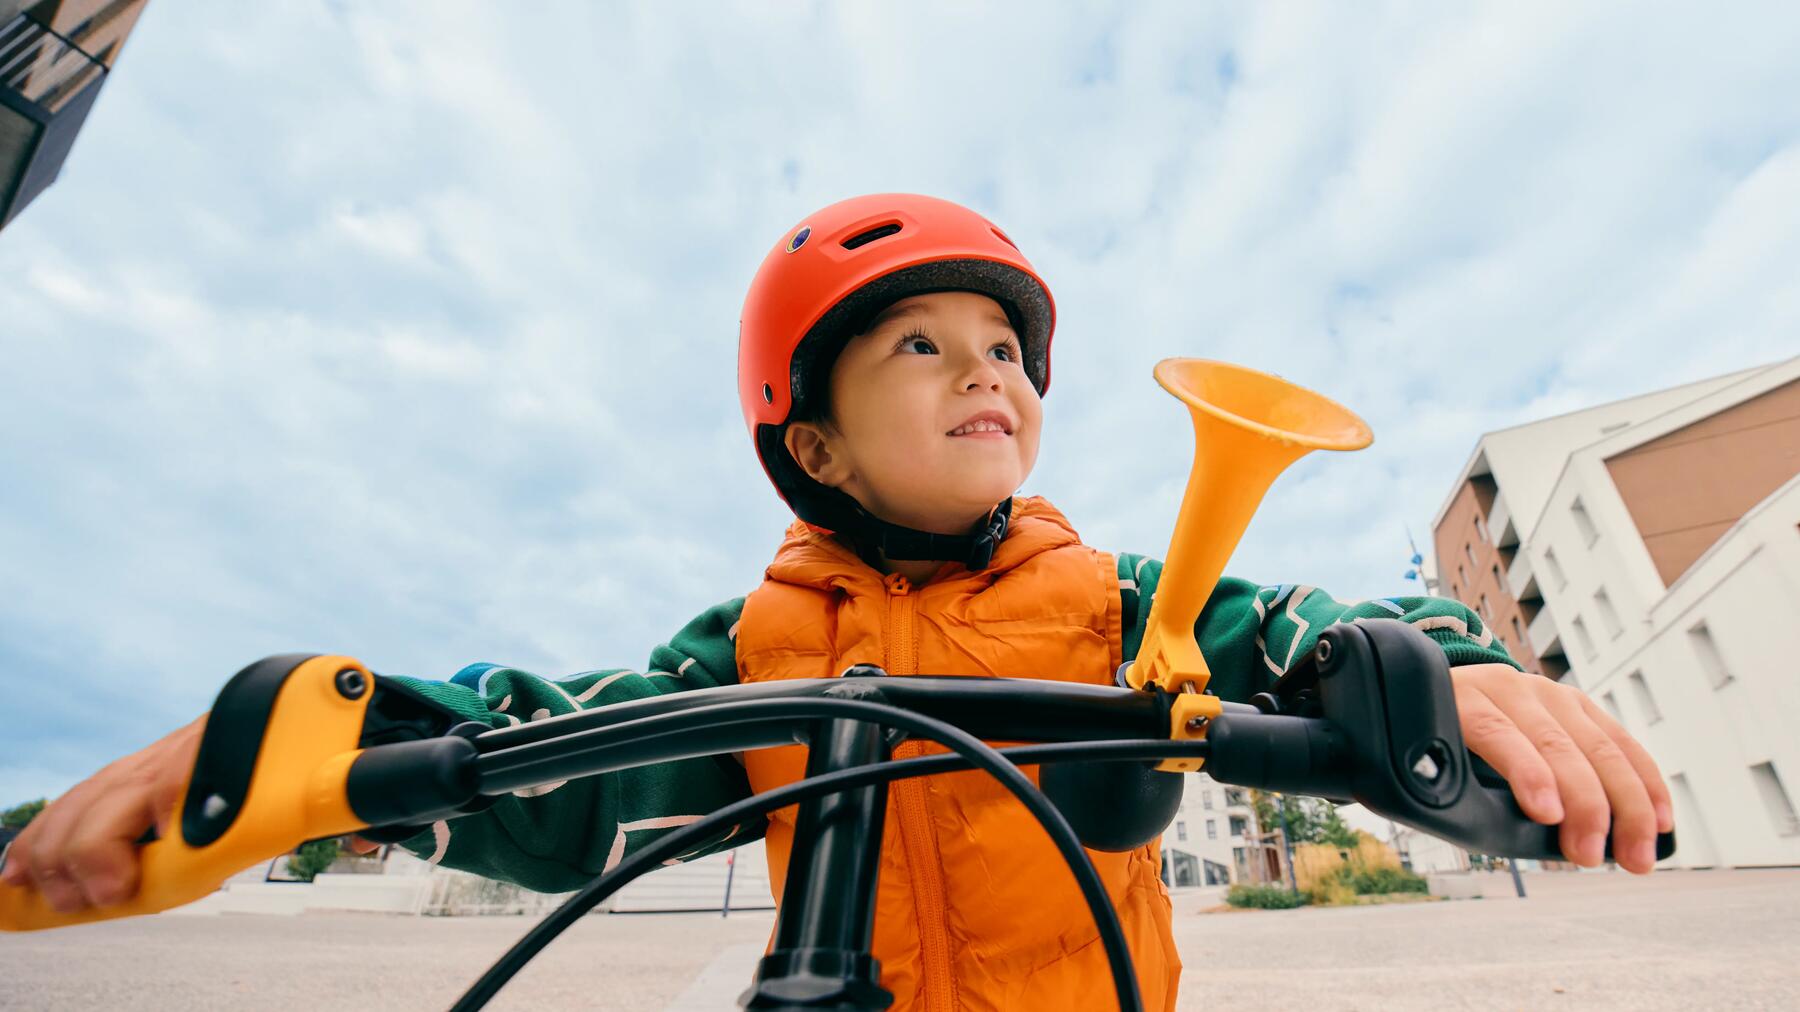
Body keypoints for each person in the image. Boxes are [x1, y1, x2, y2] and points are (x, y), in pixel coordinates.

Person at [1, 194, 1673, 1011]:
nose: (991, 375)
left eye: (1009, 348)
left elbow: (1307, 630)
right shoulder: (746, 647)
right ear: (810, 436)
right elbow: (576, 758)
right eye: (922, 346)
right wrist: (316, 744)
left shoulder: (1121, 593)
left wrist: (1441, 674)